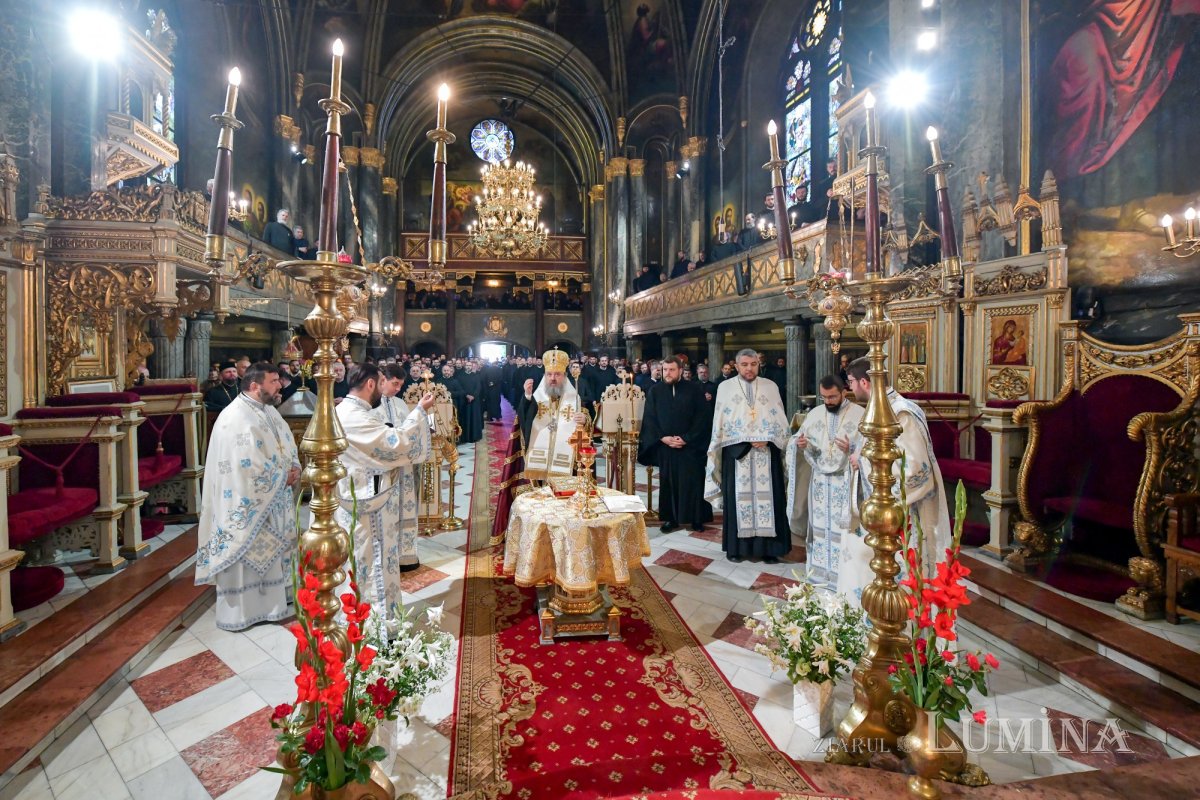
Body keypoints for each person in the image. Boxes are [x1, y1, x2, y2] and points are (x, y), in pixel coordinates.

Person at [195, 362, 300, 631]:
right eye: (274, 381)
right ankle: (243, 612)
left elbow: (286, 441)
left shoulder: (267, 411)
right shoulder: (235, 418)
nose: (279, 385)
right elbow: (245, 466)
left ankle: (277, 602)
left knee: (275, 553)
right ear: (255, 386)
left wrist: (295, 466)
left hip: (273, 500)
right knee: (249, 555)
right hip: (248, 504)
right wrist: (281, 477)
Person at [842, 357, 951, 598]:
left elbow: (917, 471)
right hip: (880, 517)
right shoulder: (878, 409)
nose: (849, 388)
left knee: (903, 588)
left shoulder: (901, 413)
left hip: (903, 517)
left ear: (864, 382)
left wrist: (863, 462)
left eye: (851, 382)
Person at [335, 364, 436, 614]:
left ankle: (370, 619)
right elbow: (396, 444)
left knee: (368, 560)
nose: (384, 389)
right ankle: (373, 624)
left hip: (363, 497)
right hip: (367, 505)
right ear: (371, 384)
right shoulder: (354, 416)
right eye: (381, 383)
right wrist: (420, 413)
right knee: (371, 561)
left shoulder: (348, 410)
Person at [704, 349, 793, 563]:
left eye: (753, 364)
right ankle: (736, 548)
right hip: (736, 454)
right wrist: (743, 440)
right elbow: (721, 422)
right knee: (738, 500)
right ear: (736, 366)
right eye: (744, 364)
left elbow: (779, 421)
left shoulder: (770, 387)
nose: (749, 368)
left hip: (766, 453)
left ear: (758, 364)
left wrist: (769, 439)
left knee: (770, 501)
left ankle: (769, 550)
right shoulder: (724, 388)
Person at [786, 375, 864, 589]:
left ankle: (843, 575)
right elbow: (804, 442)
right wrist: (801, 445)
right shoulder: (815, 413)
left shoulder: (860, 415)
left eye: (832, 397)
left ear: (844, 393)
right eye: (824, 397)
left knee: (843, 529)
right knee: (820, 526)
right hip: (820, 482)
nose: (828, 401)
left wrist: (852, 450)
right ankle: (819, 574)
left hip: (844, 482)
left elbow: (867, 450)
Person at [638, 357, 713, 532]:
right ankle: (670, 519)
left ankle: (696, 518)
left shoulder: (694, 390)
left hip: (690, 446)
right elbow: (650, 418)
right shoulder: (655, 391)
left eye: (672, 370)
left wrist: (687, 438)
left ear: (680, 371)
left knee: (694, 482)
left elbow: (703, 418)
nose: (668, 373)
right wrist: (662, 437)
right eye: (665, 370)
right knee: (668, 483)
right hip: (666, 446)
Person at [516, 349, 590, 482]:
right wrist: (527, 396)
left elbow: (586, 421)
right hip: (539, 455)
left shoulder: (575, 398)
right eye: (549, 374)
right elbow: (524, 417)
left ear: (565, 375)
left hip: (566, 458)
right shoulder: (536, 396)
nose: (553, 378)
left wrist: (585, 420)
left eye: (557, 374)